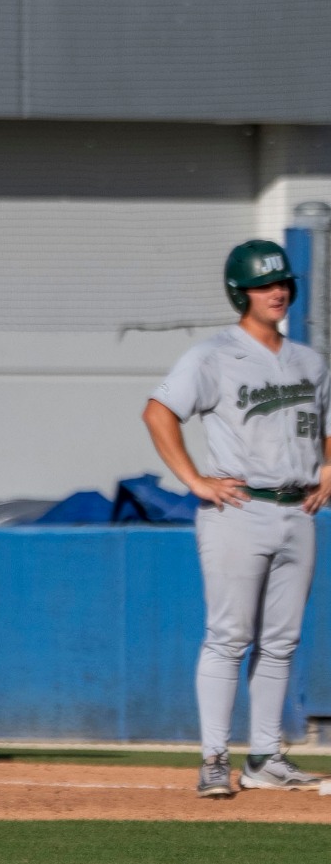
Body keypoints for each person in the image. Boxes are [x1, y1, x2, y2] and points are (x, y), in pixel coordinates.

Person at [142, 240, 331, 797]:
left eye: (282, 283)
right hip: (238, 506)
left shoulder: (310, 362)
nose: (276, 292)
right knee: (228, 636)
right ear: (239, 293)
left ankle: (267, 756)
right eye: (262, 284)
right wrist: (194, 480)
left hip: (298, 508)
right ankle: (214, 758)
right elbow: (158, 412)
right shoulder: (213, 354)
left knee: (282, 642)